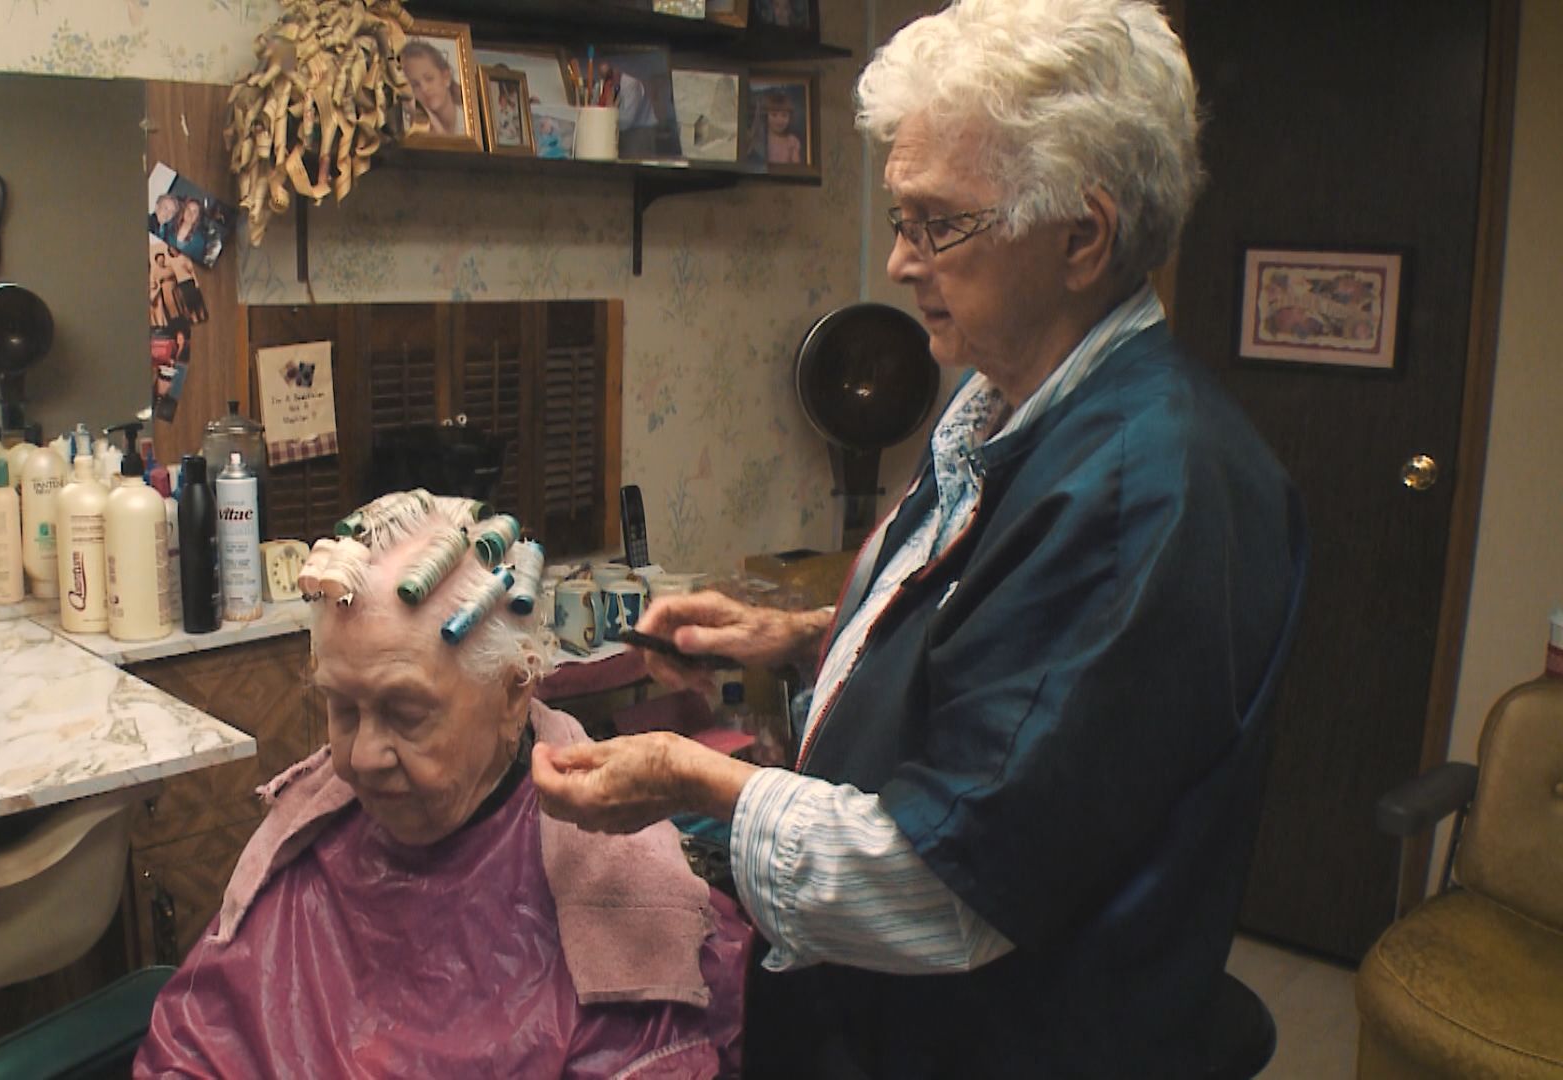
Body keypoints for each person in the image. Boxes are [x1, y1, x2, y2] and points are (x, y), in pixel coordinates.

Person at [531, 1, 1307, 1076]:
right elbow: (995, 643)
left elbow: (938, 887)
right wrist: (802, 634)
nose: (898, 262)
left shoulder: (1141, 499)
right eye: (900, 217)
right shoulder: (1000, 395)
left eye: (937, 223)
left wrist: (688, 778)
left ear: (1082, 236)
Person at [135, 493, 747, 1078]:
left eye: (406, 714)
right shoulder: (304, 850)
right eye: (343, 710)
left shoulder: (615, 893)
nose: (362, 757)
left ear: (514, 693)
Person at [401, 39, 466, 137]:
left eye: (429, 78)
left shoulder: (469, 120)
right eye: (415, 85)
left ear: (446, 77)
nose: (424, 88)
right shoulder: (409, 130)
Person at [761, 90, 803, 164]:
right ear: (766, 116)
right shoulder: (761, 139)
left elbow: (796, 168)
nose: (779, 120)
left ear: (790, 117)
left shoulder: (792, 141)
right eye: (774, 115)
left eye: (784, 115)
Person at [168, 197, 209, 263]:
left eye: (194, 211)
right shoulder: (169, 227)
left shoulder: (200, 241)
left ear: (197, 217)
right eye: (188, 209)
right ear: (183, 211)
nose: (190, 213)